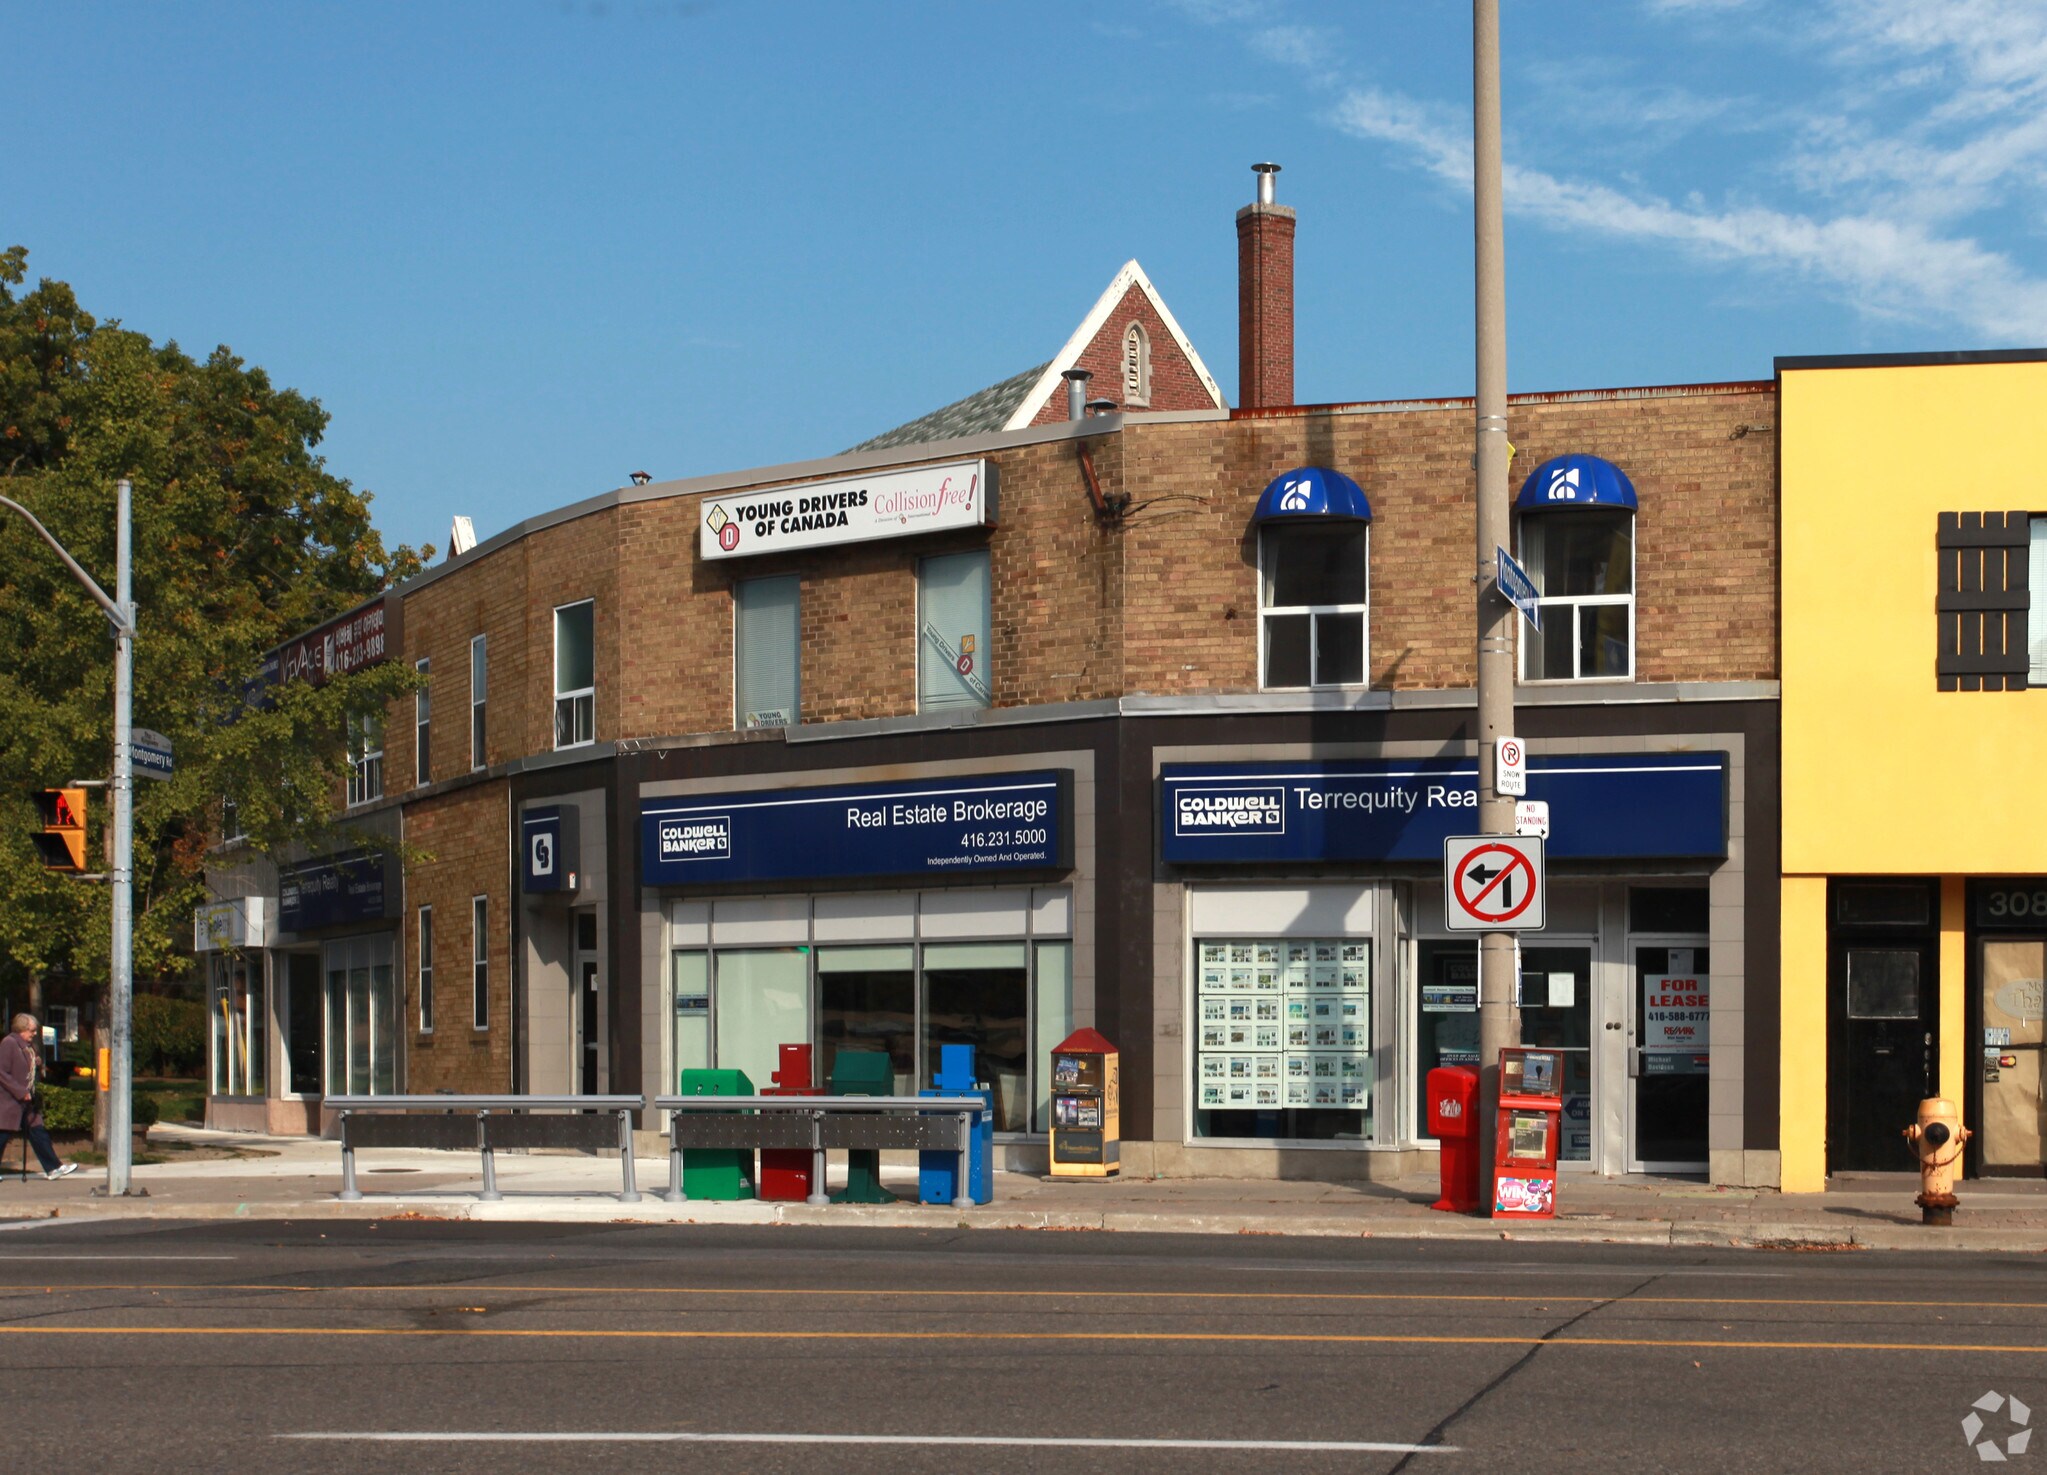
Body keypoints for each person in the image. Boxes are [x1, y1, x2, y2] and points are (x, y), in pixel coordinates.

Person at [0, 1014, 79, 1180]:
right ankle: (53, 1167)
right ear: (21, 1029)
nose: (34, 1033)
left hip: (27, 1101)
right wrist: (20, 1091)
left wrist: (36, 1062)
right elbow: (2, 1073)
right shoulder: (9, 1043)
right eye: (32, 1030)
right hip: (9, 1101)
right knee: (3, 1135)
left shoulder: (27, 1046)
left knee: (38, 1132)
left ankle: (53, 1168)